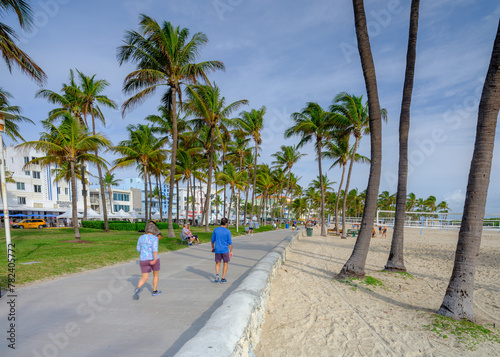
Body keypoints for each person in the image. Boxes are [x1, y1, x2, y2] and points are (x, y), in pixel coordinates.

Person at [133, 222, 162, 300]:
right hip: (153, 258)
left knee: (144, 277)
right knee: (155, 275)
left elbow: (138, 249)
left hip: (143, 259)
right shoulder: (155, 238)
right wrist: (155, 259)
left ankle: (138, 288)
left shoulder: (141, 237)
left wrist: (144, 252)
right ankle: (154, 291)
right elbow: (155, 249)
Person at [211, 217, 233, 283]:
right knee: (225, 263)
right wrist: (231, 251)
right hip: (225, 250)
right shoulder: (227, 231)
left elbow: (212, 241)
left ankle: (217, 274)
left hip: (217, 249)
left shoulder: (215, 230)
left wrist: (213, 248)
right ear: (226, 224)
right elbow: (229, 243)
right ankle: (223, 278)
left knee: (218, 263)